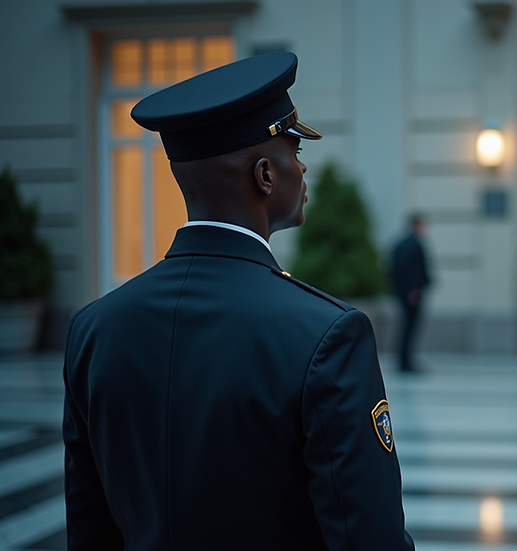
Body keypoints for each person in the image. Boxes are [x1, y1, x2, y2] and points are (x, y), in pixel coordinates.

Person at [62, 52, 415, 549]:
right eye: (294, 150)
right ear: (265, 175)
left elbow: (89, 530)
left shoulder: (93, 329)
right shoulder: (325, 334)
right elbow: (368, 540)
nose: (304, 165)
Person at [390, 214, 431, 373]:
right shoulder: (413, 245)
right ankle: (405, 361)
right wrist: (414, 290)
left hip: (404, 293)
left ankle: (404, 360)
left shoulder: (401, 244)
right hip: (411, 294)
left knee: (406, 326)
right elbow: (411, 271)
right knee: (409, 327)